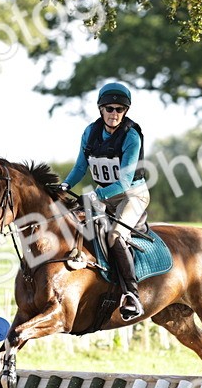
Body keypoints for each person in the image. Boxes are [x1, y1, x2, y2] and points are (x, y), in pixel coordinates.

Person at [59, 81, 151, 319]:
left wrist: (95, 195)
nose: (114, 113)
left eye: (120, 109)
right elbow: (81, 167)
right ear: (101, 109)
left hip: (132, 195)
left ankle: (132, 295)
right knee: (73, 223)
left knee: (115, 235)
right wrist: (65, 186)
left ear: (125, 111)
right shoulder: (90, 133)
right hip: (104, 194)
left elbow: (124, 181)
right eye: (109, 108)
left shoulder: (131, 136)